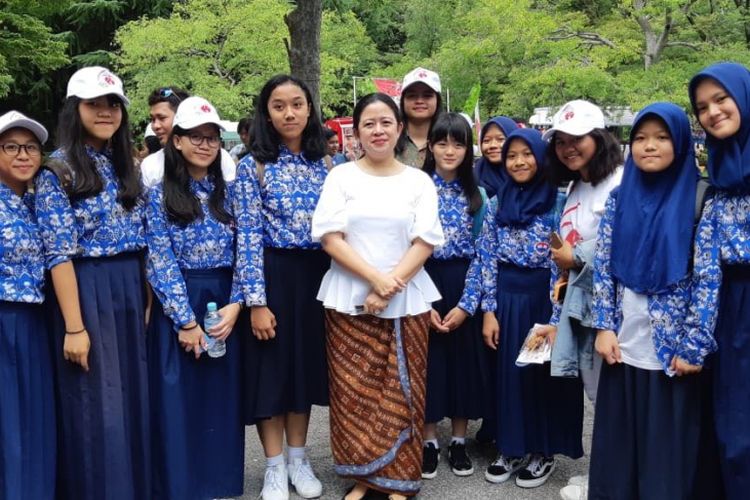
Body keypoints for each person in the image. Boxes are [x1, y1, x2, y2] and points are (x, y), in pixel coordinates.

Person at [574, 102, 713, 500]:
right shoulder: (621, 198)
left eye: (662, 137)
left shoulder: (700, 199)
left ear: (681, 143)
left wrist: (693, 345)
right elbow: (604, 266)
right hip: (623, 345)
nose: (649, 146)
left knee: (665, 460)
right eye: (640, 138)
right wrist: (603, 327)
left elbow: (707, 279)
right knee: (619, 457)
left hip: (672, 354)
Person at [312, 92, 444, 500]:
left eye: (386, 122)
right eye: (369, 124)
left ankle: (400, 480)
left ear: (399, 128)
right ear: (356, 132)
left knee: (403, 392)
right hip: (348, 298)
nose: (378, 130)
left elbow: (425, 240)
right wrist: (375, 280)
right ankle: (364, 478)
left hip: (407, 299)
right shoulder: (340, 177)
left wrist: (390, 285)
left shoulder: (418, 181)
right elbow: (330, 237)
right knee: (353, 393)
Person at [35, 66, 150, 500]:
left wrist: (147, 297)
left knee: (131, 397)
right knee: (96, 403)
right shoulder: (58, 170)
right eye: (94, 104)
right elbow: (58, 253)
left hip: (129, 286)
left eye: (113, 104)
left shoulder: (127, 165)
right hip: (85, 290)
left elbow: (144, 238)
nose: (105, 112)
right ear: (74, 109)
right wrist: (74, 326)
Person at [144, 97, 246, 499]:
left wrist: (237, 303)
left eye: (212, 138)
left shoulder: (230, 193)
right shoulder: (159, 194)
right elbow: (159, 257)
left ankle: (219, 481)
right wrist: (185, 321)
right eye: (195, 137)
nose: (205, 145)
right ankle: (179, 484)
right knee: (178, 396)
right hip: (180, 299)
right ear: (177, 140)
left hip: (224, 299)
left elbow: (247, 248)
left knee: (220, 394)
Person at [234, 74, 330, 500]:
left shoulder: (327, 164)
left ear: (309, 109)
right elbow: (248, 236)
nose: (289, 113)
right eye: (278, 106)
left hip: (316, 277)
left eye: (297, 104)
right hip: (272, 274)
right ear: (266, 113)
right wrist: (256, 301)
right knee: (270, 374)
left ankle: (298, 458)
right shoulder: (252, 166)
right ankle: (273, 467)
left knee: (301, 373)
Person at [479, 128, 583, 489]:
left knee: (540, 376)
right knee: (510, 377)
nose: (518, 162)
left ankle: (542, 451)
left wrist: (554, 318)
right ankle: (511, 448)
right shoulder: (497, 203)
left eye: (527, 154)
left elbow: (562, 265)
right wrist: (489, 310)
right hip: (507, 301)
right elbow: (486, 256)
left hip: (542, 300)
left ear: (540, 157)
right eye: (511, 155)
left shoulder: (557, 203)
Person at [535, 99, 623, 495]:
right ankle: (604, 473)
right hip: (579, 303)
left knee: (613, 396)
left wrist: (577, 256)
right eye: (561, 141)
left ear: (600, 138)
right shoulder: (576, 184)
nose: (568, 148)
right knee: (596, 393)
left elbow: (623, 244)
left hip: (610, 309)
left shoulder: (620, 181)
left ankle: (611, 480)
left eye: (577, 139)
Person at [686, 62, 750, 500]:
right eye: (702, 107)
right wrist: (695, 343)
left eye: (721, 99)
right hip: (734, 319)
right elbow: (707, 272)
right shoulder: (718, 188)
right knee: (734, 435)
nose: (712, 112)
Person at [419, 112, 491, 480]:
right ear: (430, 146)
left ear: (467, 149)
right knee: (428, 364)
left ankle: (459, 440)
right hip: (424, 279)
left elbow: (484, 253)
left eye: (458, 144)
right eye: (442, 143)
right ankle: (429, 440)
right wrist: (424, 302)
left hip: (464, 281)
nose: (450, 151)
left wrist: (467, 304)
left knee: (463, 364)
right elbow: (408, 249)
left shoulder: (478, 196)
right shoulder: (417, 190)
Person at [0, 111, 56, 500]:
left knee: (34, 415)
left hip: (36, 319)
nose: (23, 155)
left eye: (31, 147)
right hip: (5, 318)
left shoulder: (38, 201)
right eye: (11, 147)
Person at [141, 86, 235, 187]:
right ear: (177, 141)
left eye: (162, 118)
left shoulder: (223, 160)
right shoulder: (151, 166)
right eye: (152, 120)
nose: (155, 126)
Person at [395, 67, 442, 168]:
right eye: (412, 96)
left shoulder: (449, 139)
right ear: (403, 101)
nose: (419, 101)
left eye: (427, 96)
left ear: (437, 100)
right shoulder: (389, 139)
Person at [474, 116, 520, 197]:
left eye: (500, 139)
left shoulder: (528, 176)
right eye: (486, 140)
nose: (493, 145)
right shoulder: (472, 178)